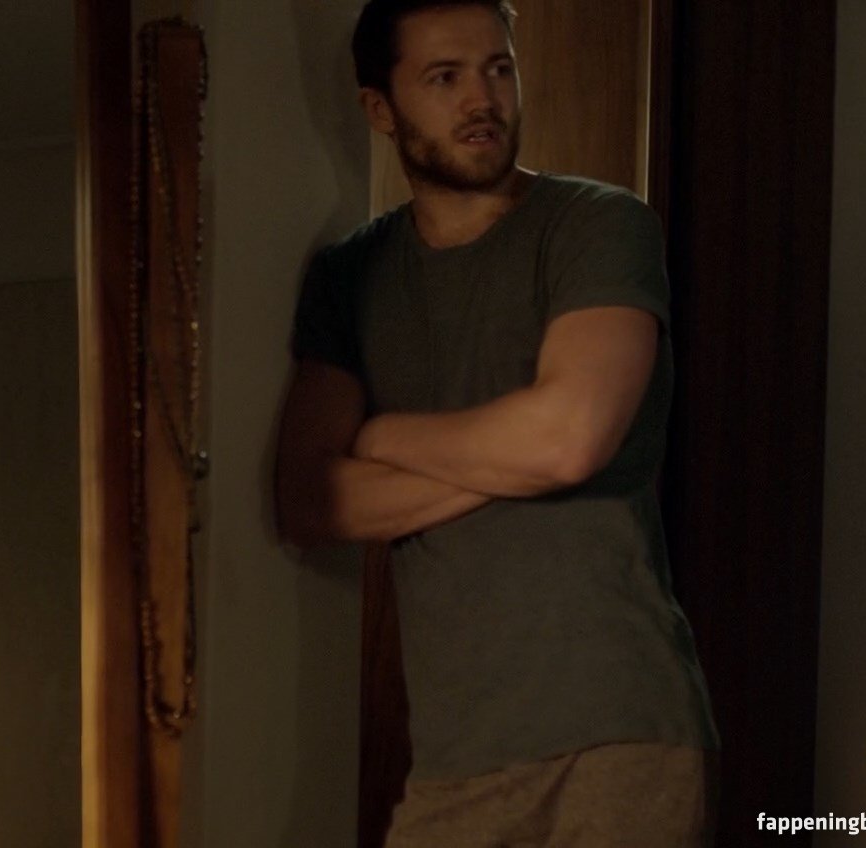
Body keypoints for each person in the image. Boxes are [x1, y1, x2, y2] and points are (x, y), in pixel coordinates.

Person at [274, 1, 719, 844]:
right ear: (380, 108)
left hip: (619, 728)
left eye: (498, 69)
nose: (482, 98)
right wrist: (514, 455)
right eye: (445, 77)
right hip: (453, 760)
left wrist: (382, 436)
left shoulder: (599, 223)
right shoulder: (349, 276)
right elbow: (309, 500)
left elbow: (567, 442)